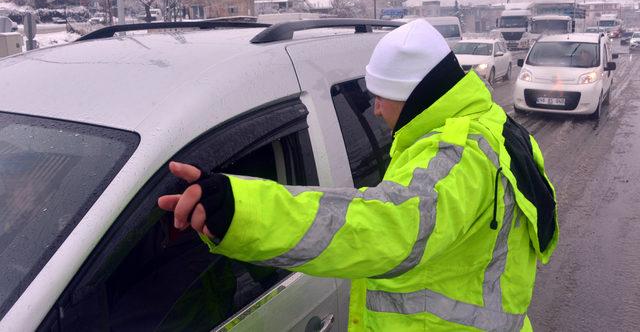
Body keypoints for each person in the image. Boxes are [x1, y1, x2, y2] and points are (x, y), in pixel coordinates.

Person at [158, 19, 558, 331]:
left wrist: (239, 210)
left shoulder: (459, 155)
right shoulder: (492, 124)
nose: (374, 110)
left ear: (415, 94)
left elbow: (385, 226)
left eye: (381, 96)